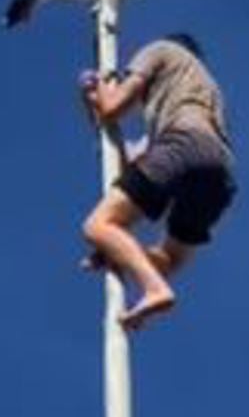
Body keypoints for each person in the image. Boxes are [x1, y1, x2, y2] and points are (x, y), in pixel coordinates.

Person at [79, 33, 237, 330]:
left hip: (184, 143)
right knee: (168, 257)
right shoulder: (204, 92)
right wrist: (119, 250)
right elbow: (127, 167)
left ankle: (155, 289)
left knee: (99, 225)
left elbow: (112, 107)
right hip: (219, 167)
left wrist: (96, 88)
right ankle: (150, 280)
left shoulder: (160, 50)